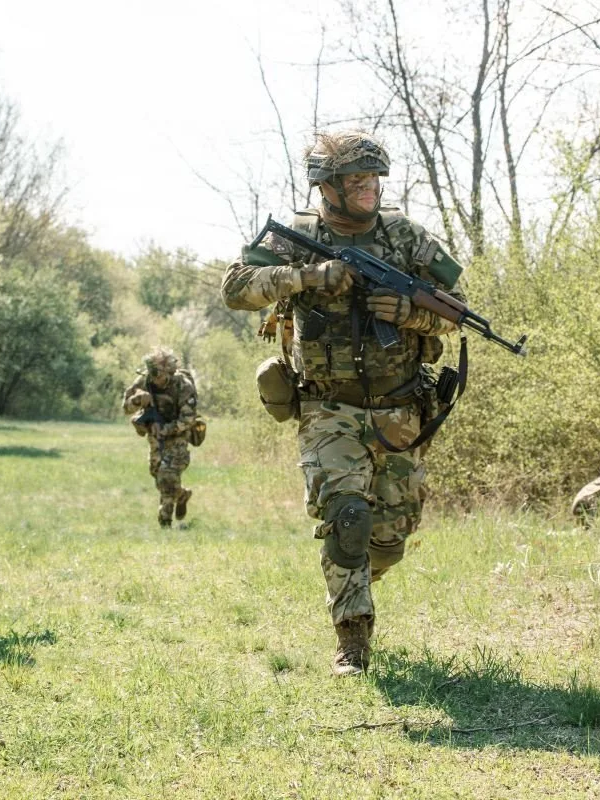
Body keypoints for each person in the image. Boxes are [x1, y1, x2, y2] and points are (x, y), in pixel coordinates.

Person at [222, 130, 465, 676]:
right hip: (327, 408)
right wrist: (306, 276)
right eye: (356, 181)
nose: (369, 190)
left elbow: (455, 309)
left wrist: (410, 315)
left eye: (374, 180)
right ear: (327, 187)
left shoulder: (406, 236)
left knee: (390, 539)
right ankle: (352, 641)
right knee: (348, 517)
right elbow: (235, 288)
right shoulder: (297, 236)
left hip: (401, 408)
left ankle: (352, 573)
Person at [123, 347, 197, 528]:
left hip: (178, 436)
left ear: (169, 371)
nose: (155, 380)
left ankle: (165, 524)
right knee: (158, 475)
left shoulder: (183, 386)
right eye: (153, 374)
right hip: (155, 437)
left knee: (167, 476)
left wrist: (164, 429)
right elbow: (125, 408)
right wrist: (137, 400)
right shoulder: (144, 381)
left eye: (159, 375)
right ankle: (182, 495)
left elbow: (187, 419)